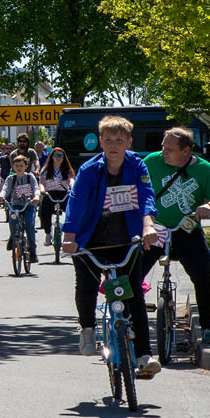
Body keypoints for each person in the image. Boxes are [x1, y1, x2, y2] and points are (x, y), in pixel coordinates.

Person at [60, 114, 161, 377]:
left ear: (128, 142)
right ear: (100, 143)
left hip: (127, 239)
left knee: (133, 295)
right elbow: (76, 202)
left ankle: (143, 355)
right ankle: (88, 328)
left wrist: (148, 226)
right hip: (90, 240)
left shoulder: (137, 166)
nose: (113, 145)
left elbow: (146, 196)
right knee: (86, 285)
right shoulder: (89, 170)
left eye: (119, 140)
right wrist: (70, 236)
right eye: (108, 140)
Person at [141, 126, 210, 346]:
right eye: (163, 146)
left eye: (169, 149)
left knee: (204, 277)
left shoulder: (204, 170)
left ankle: (209, 327)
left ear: (186, 151)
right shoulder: (151, 162)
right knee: (131, 273)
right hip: (156, 229)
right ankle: (128, 320)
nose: (163, 151)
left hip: (187, 230)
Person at [0, 152, 40, 262]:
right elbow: (5, 188)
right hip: (16, 205)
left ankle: (33, 251)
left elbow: (36, 188)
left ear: (26, 166)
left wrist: (36, 196)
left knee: (29, 224)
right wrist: (1, 196)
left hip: (29, 204)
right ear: (13, 167)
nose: (19, 168)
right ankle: (13, 237)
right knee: (12, 220)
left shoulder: (30, 177)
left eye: (21, 166)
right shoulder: (11, 178)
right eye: (16, 166)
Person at [39, 146, 75, 245]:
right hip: (50, 193)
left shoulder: (66, 169)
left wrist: (72, 187)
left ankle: (69, 234)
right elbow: (42, 182)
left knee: (72, 211)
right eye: (56, 155)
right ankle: (48, 233)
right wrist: (42, 190)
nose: (58, 157)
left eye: (61, 155)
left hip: (64, 193)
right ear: (52, 157)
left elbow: (71, 180)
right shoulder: (47, 169)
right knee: (44, 211)